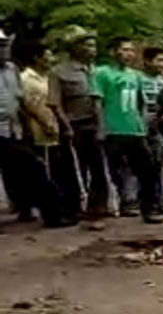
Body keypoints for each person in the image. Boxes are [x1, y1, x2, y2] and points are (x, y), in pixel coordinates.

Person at [0, 30, 73, 227]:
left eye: (5, 44)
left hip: (11, 130)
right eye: (0, 45)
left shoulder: (11, 69)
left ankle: (51, 215)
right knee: (29, 168)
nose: (4, 48)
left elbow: (22, 100)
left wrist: (41, 120)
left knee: (32, 168)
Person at [91, 37, 163, 223]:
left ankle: (149, 208)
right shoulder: (102, 73)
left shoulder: (136, 75)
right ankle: (115, 205)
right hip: (113, 128)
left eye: (131, 50)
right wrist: (101, 127)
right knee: (114, 170)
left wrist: (143, 123)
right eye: (125, 49)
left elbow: (141, 102)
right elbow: (98, 101)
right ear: (113, 51)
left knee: (147, 169)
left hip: (135, 129)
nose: (129, 54)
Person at [49, 25, 111, 221]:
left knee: (99, 168)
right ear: (74, 47)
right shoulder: (58, 72)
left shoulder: (96, 70)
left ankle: (98, 206)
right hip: (74, 125)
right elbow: (55, 103)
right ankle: (74, 208)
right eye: (87, 45)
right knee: (74, 170)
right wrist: (66, 127)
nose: (92, 49)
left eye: (94, 45)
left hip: (96, 124)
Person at [20, 42, 82, 220]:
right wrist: (45, 123)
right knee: (44, 170)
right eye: (47, 57)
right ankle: (47, 210)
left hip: (55, 129)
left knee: (60, 169)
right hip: (39, 130)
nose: (51, 60)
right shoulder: (26, 79)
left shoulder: (49, 77)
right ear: (37, 58)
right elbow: (28, 105)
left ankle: (62, 206)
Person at [141, 47, 163, 212]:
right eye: (159, 60)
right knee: (145, 163)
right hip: (140, 123)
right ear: (147, 61)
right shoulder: (137, 79)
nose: (162, 64)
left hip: (160, 125)